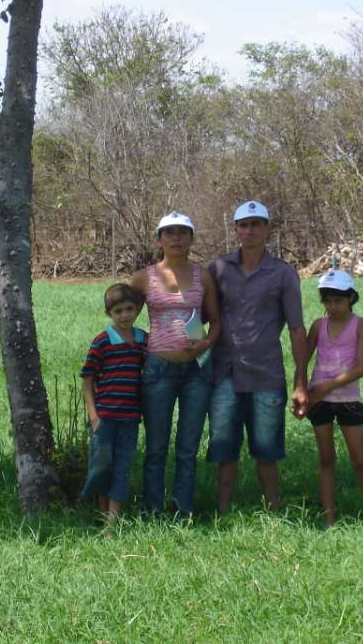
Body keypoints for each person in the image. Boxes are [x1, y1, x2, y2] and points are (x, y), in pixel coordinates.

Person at [207, 200, 309, 514]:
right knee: (224, 451)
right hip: (224, 373)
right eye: (243, 225)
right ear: (235, 229)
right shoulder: (218, 269)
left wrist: (301, 382)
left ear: (269, 229)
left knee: (267, 451)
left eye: (256, 224)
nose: (249, 230)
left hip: (267, 375)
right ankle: (223, 511)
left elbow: (296, 329)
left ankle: (273, 510)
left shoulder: (282, 274)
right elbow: (199, 319)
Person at [131, 212, 221, 517]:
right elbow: (125, 317)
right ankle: (152, 510)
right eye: (169, 233)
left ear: (192, 239)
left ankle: (184, 511)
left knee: (188, 447)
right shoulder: (144, 277)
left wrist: (207, 343)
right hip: (158, 369)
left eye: (183, 233)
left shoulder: (202, 275)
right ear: (159, 239)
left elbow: (216, 321)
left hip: (196, 370)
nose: (176, 238)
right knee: (156, 446)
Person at [293, 269, 363, 526]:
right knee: (326, 459)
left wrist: (326, 386)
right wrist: (301, 389)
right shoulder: (319, 325)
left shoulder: (361, 325)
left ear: (351, 297)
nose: (332, 306)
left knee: (359, 460)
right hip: (320, 401)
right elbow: (303, 359)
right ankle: (329, 519)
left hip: (348, 399)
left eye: (338, 300)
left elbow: (361, 368)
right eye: (327, 300)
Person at [79, 283, 148, 523]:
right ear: (109, 314)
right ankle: (102, 512)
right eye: (118, 311)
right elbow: (87, 380)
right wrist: (93, 415)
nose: (125, 315)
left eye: (129, 309)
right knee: (101, 467)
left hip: (130, 419)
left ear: (138, 310)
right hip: (104, 418)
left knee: (122, 468)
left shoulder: (143, 340)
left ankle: (112, 521)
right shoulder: (102, 341)